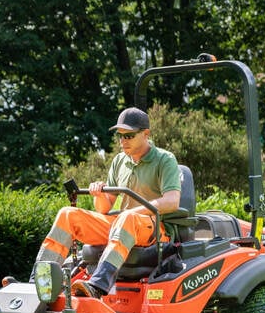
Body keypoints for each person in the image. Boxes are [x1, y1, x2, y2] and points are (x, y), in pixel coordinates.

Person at [35, 107, 181, 299]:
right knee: (67, 214)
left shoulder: (165, 159)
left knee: (127, 217)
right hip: (123, 226)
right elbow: (103, 208)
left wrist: (134, 212)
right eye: (120, 136)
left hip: (154, 230)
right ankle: (40, 282)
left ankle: (97, 285)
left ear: (146, 134)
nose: (122, 141)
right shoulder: (119, 161)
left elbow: (172, 201)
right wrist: (98, 194)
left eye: (128, 136)